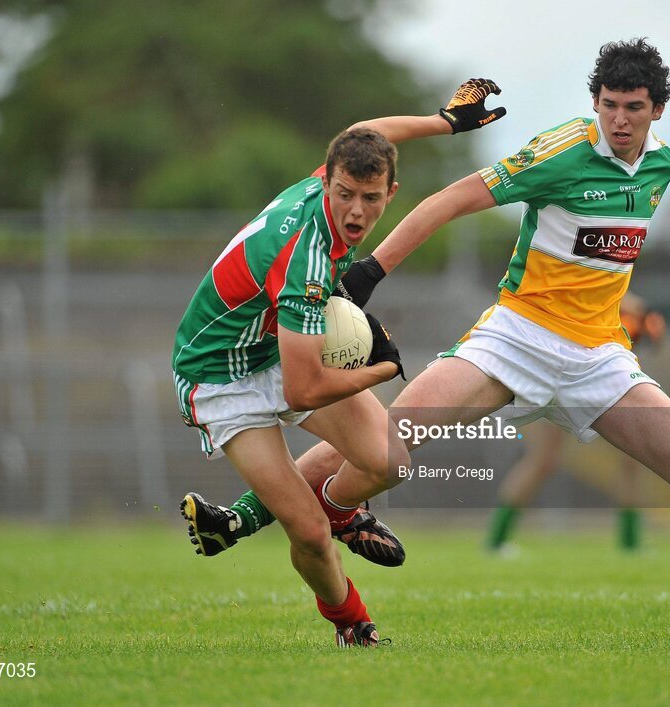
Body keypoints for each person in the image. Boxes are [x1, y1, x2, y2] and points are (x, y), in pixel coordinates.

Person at [192, 39, 670, 642]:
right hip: (515, 338)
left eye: (634, 107)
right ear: (595, 100)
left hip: (598, 356)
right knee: (388, 439)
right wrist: (369, 272)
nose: (619, 119)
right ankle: (255, 517)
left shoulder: (662, 166)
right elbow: (450, 199)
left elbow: (603, 258)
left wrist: (632, 313)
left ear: (657, 111)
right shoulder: (559, 153)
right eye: (609, 104)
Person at [171, 79, 507, 647]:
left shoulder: (324, 180)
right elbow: (303, 390)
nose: (357, 212)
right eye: (346, 194)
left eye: (371, 199)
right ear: (326, 181)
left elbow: (368, 134)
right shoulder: (302, 260)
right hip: (219, 375)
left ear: (390, 193)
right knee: (307, 534)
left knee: (388, 464)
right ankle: (353, 625)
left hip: (277, 344)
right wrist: (383, 365)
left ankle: (334, 509)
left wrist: (445, 122)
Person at [486, 293, 666, 554]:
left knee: (631, 458)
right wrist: (643, 313)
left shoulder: (607, 276)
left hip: (594, 373)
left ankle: (630, 542)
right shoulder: (561, 275)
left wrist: (643, 321)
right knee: (544, 460)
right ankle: (496, 540)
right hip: (553, 367)